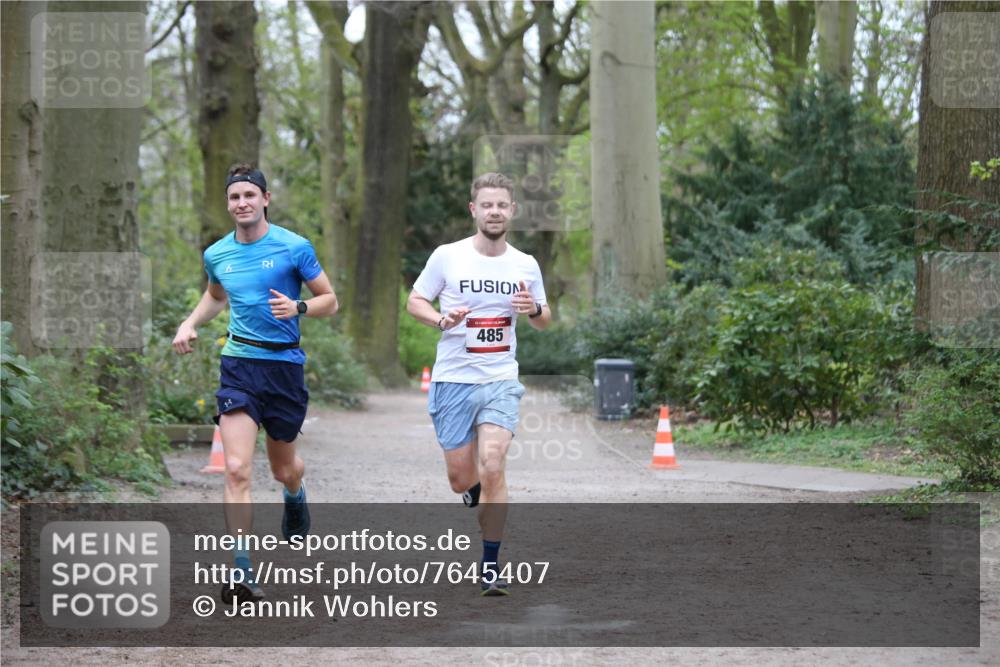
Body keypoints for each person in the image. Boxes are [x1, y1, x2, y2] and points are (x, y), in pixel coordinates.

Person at [173, 164, 338, 602]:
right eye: (235, 197)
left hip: (283, 369)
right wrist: (189, 323)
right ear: (228, 204)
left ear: (265, 199)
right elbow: (215, 296)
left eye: (250, 195)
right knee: (236, 467)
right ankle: (242, 570)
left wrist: (300, 307)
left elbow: (330, 300)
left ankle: (295, 492)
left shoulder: (294, 247)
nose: (242, 203)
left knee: (284, 468)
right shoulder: (217, 254)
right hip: (239, 365)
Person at [407, 172, 551, 596]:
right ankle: (474, 492)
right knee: (461, 478)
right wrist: (441, 320)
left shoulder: (525, 264)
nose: (494, 211)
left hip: (500, 378)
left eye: (501, 205)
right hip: (453, 379)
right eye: (487, 205)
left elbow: (544, 320)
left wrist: (533, 308)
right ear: (474, 210)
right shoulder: (448, 256)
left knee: (493, 464)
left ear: (513, 210)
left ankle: (490, 567)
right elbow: (415, 301)